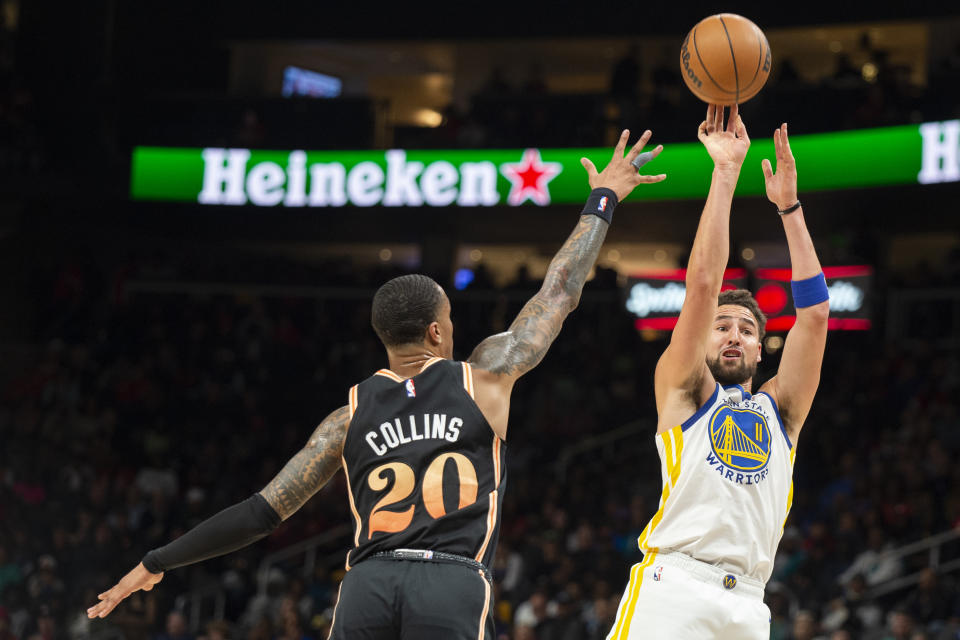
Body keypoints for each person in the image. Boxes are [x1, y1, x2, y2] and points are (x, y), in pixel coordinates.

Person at [87, 129, 667, 639]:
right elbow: (558, 292)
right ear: (439, 331)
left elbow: (262, 512)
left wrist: (158, 561)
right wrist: (603, 197)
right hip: (451, 581)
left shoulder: (347, 417)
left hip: (368, 582)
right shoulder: (486, 373)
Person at [606, 105, 830, 640]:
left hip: (750, 604)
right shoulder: (683, 388)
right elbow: (704, 285)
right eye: (722, 327)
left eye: (747, 330)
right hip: (673, 587)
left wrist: (790, 208)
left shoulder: (783, 412)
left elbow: (816, 315)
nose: (733, 334)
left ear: (761, 348)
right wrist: (725, 173)